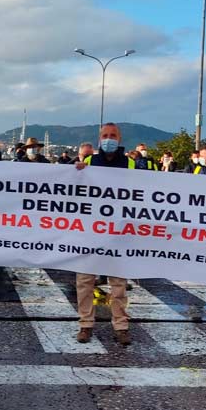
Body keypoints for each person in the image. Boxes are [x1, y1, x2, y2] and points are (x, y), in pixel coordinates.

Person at [73, 122, 135, 345]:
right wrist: (76, 173)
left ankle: (121, 326)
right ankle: (85, 324)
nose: (109, 139)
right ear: (99, 139)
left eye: (113, 135)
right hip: (91, 231)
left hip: (118, 232)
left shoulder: (131, 164)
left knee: (118, 283)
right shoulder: (89, 162)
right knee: (85, 281)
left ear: (119, 138)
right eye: (105, 135)